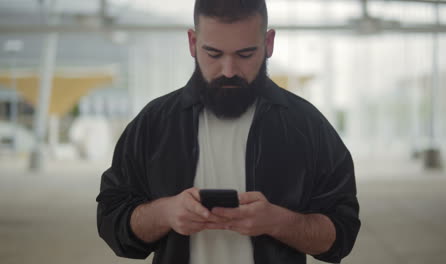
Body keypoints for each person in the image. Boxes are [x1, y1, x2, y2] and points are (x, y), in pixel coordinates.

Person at [96, 0, 360, 263]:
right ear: (192, 42)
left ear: (269, 43)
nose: (229, 70)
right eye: (213, 54)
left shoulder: (307, 126)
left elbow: (342, 235)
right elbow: (112, 223)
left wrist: (277, 222)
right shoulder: (154, 123)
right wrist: (165, 213)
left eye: (245, 55)